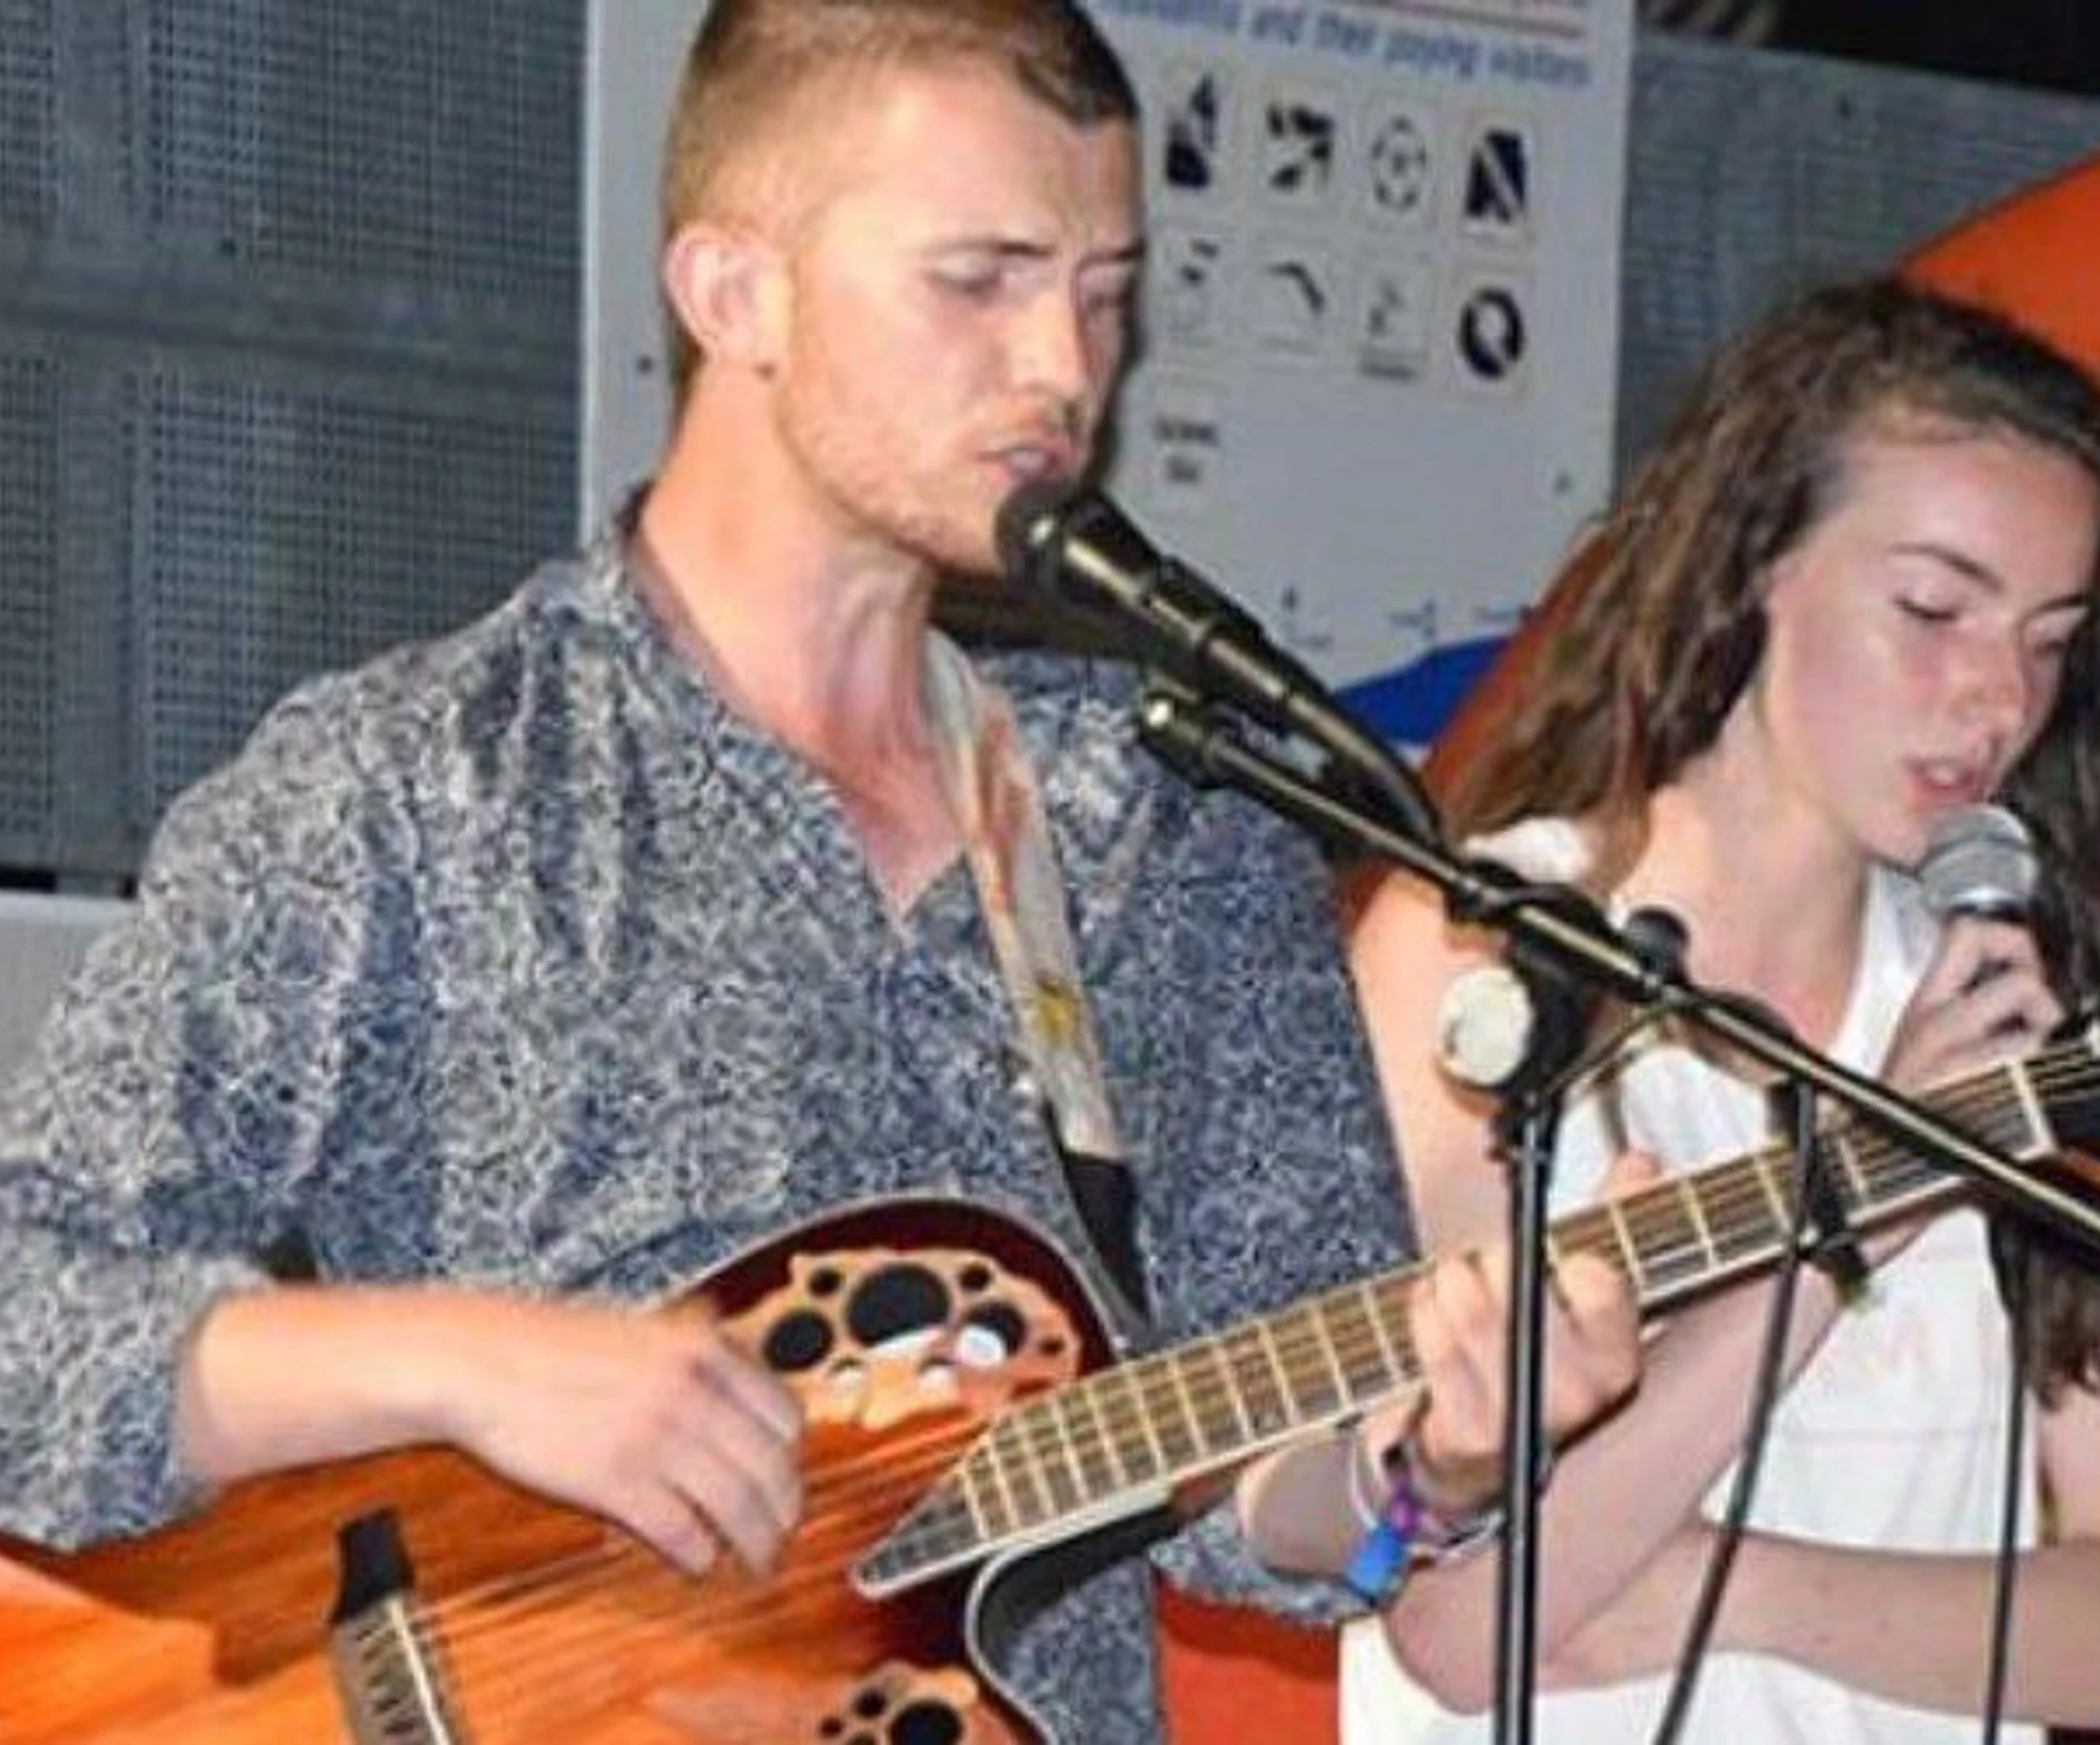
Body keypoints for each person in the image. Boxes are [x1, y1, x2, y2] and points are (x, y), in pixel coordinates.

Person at [0, 3, 1641, 1738]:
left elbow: (1272, 1500)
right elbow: (26, 1305)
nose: (1064, 367)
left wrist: (1430, 1465)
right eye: (980, 280)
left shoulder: (1164, 824)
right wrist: (469, 1361)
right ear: (735, 295)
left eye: (1103, 293)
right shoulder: (414, 789)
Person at [1341, 277, 2100, 1740]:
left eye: (2047, 640)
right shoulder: (1481, 959)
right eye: (1934, 610)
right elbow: (1456, 1623)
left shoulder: (1996, 999)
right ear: (1754, 561)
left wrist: (1732, 1586)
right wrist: (1861, 1204)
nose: (1995, 699)